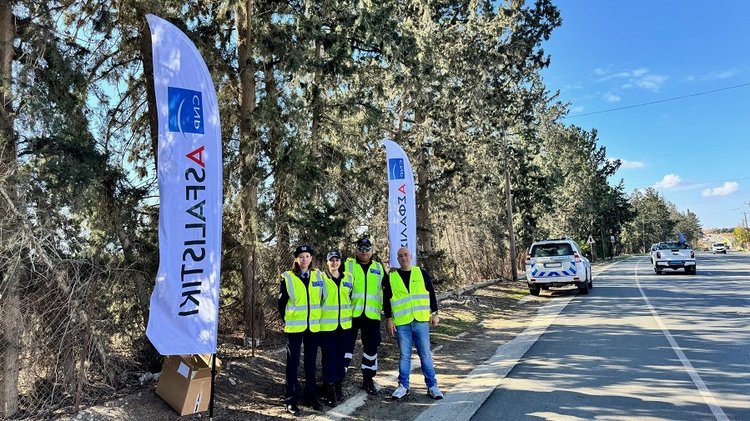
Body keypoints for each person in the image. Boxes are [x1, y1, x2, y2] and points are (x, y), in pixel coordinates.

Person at [384, 247, 444, 401]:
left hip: (420, 321)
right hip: (402, 323)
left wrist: (435, 313)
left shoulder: (421, 273)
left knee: (425, 355)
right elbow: (387, 300)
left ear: (411, 256)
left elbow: (431, 293)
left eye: (406, 255)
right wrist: (388, 318)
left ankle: (432, 386)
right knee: (404, 356)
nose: (403, 258)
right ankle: (403, 386)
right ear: (397, 259)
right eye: (400, 256)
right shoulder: (391, 277)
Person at [278, 244, 324, 416]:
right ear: (296, 259)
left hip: (313, 327)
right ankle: (291, 399)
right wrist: (289, 319)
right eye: (301, 256)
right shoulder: (288, 277)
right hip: (295, 328)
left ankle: (311, 397)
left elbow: (323, 298)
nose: (304, 259)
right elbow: (281, 304)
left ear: (311, 258)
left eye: (307, 256)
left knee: (311, 363)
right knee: (293, 363)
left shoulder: (318, 275)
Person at [343, 238, 386, 395]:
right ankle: (338, 381)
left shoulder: (379, 268)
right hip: (351, 314)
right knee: (345, 347)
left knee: (371, 349)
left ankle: (368, 380)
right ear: (356, 250)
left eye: (367, 248)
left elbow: (388, 290)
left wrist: (389, 316)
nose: (364, 251)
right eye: (361, 248)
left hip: (371, 316)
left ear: (372, 251)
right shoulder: (348, 265)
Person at [318, 250, 354, 405]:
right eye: (331, 260)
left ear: (341, 262)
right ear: (327, 262)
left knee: (340, 357)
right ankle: (329, 389)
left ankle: (339, 385)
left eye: (337, 260)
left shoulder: (349, 278)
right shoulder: (321, 279)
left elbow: (351, 298)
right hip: (327, 327)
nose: (334, 263)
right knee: (329, 357)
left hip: (344, 325)